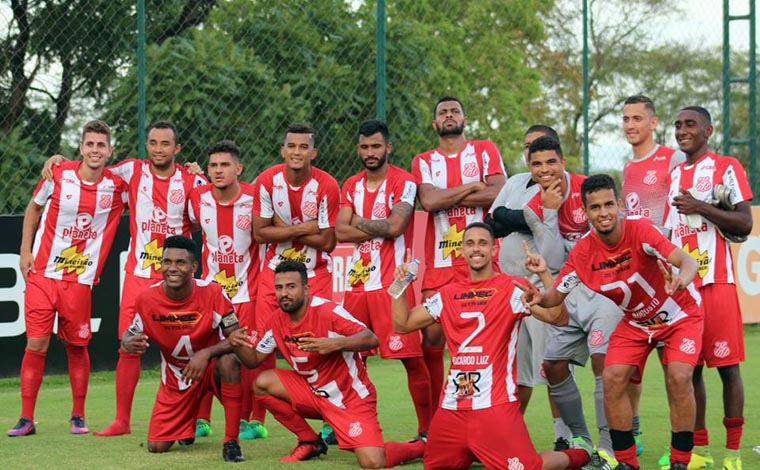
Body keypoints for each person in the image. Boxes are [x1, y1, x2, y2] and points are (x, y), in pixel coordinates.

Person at [522, 174, 702, 470]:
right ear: (587, 211)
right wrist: (538, 294)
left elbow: (687, 261)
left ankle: (680, 461)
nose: (603, 213)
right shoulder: (583, 251)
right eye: (595, 207)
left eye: (608, 204)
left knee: (679, 377)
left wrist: (682, 279)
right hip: (636, 323)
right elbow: (556, 296)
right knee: (611, 378)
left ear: (619, 205)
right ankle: (626, 463)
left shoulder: (640, 229)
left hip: (680, 316)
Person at [40, 120, 208, 437]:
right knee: (129, 347)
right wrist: (60, 161)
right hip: (138, 278)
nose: (159, 149)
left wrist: (199, 173)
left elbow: (202, 220)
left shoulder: (190, 180)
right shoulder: (132, 170)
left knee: (186, 349)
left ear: (177, 149)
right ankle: (122, 421)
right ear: (147, 146)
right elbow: (93, 169)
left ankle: (191, 421)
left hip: (177, 280)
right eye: (153, 143)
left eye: (166, 144)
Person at [389, 222, 594, 470]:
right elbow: (403, 324)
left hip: (494, 406)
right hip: (452, 407)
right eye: (470, 244)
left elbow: (557, 318)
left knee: (527, 467)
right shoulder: (446, 294)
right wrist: (400, 284)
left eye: (483, 243)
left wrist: (544, 276)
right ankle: (465, 449)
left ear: (494, 250)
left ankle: (580, 454)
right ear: (462, 251)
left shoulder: (512, 289)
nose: (476, 249)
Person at [229, 261, 424, 467]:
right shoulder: (276, 320)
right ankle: (309, 440)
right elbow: (253, 360)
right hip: (312, 393)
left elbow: (370, 338)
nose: (284, 293)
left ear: (306, 289)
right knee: (262, 382)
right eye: (279, 288)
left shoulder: (327, 311)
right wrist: (235, 343)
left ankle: (421, 446)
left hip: (349, 398)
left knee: (373, 461)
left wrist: (334, 344)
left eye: (291, 287)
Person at [8, 120, 128, 437]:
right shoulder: (58, 174)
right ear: (81, 147)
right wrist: (24, 251)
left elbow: (151, 183)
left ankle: (77, 415)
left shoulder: (117, 186)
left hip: (79, 282)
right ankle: (26, 418)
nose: (95, 150)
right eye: (90, 144)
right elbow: (33, 209)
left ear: (110, 151)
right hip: (43, 274)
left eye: (101, 145)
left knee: (77, 346)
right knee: (36, 343)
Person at [663, 106, 753, 470]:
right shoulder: (674, 176)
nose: (682, 131)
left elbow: (744, 223)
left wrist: (700, 205)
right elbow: (671, 233)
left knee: (727, 369)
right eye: (678, 126)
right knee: (690, 370)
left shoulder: (724, 167)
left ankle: (733, 454)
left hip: (717, 283)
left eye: (690, 124)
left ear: (708, 130)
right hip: (685, 289)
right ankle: (700, 452)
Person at [522, 136, 621, 465]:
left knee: (601, 361)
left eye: (551, 162)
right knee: (552, 364)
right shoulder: (533, 206)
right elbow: (551, 260)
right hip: (568, 292)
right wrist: (550, 212)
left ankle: (610, 446)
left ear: (563, 163)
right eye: (537, 164)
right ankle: (582, 439)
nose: (545, 170)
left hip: (603, 290)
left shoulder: (589, 191)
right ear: (529, 168)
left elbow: (613, 234)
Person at [335, 119, 432, 441]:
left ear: (388, 147)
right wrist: (375, 223)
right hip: (356, 285)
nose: (370, 152)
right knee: (346, 358)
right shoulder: (351, 185)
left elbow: (396, 227)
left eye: (376, 146)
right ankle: (345, 425)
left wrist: (359, 222)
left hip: (393, 285)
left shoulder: (404, 181)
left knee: (410, 359)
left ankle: (426, 431)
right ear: (358, 149)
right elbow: (339, 231)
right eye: (364, 147)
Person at [410, 96, 506, 409]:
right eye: (442, 113)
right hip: (439, 261)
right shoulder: (423, 160)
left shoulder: (484, 150)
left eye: (455, 111)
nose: (449, 116)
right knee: (433, 340)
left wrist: (448, 195)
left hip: (482, 259)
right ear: (435, 123)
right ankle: (437, 416)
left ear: (464, 119)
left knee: (488, 336)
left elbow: (499, 192)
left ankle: (487, 404)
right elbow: (430, 203)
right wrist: (472, 187)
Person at [252, 122, 341, 442]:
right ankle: (255, 419)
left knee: (321, 348)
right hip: (273, 274)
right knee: (260, 347)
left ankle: (333, 415)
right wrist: (305, 227)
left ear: (313, 153)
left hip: (315, 275)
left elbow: (329, 241)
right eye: (292, 146)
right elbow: (260, 233)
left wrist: (283, 226)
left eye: (304, 147)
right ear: (283, 150)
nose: (297, 152)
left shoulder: (327, 185)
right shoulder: (266, 181)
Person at [486, 124, 574, 450]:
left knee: (553, 365)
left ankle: (564, 436)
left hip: (546, 288)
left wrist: (512, 216)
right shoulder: (514, 182)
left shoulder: (563, 187)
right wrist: (519, 216)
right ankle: (509, 435)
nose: (537, 160)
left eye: (542, 151)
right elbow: (494, 220)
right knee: (515, 370)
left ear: (558, 157)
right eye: (529, 150)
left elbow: (525, 219)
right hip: (510, 290)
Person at [121, 235, 244, 462]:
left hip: (209, 367)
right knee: (156, 447)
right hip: (176, 376)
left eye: (180, 262)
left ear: (193, 267)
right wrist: (127, 342)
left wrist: (206, 354)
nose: (172, 268)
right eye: (167, 262)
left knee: (230, 362)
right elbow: (130, 333)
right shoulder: (147, 298)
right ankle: (186, 424)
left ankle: (231, 442)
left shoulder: (213, 292)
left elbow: (236, 338)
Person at [188, 140, 267, 440]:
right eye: (213, 166)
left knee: (250, 357)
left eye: (225, 165)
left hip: (249, 293)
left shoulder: (256, 197)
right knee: (204, 353)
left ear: (239, 169)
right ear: (206, 169)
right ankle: (202, 419)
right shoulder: (197, 196)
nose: (218, 171)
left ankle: (256, 420)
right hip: (211, 295)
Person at [621, 94, 685, 460]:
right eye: (626, 119)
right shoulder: (628, 169)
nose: (631, 125)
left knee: (673, 368)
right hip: (636, 281)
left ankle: (680, 442)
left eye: (637, 119)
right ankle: (635, 430)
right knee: (631, 364)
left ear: (653, 123)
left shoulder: (672, 159)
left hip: (668, 279)